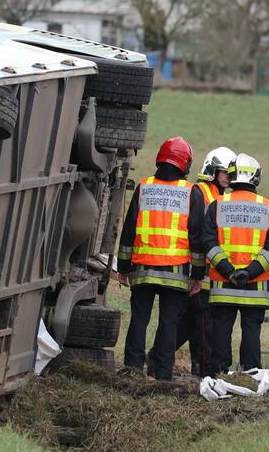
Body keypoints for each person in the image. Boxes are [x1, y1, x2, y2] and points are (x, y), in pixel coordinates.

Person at [117, 137, 205, 381]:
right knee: (169, 323)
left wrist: (123, 267)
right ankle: (163, 374)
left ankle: (132, 370)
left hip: (143, 270)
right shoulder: (191, 193)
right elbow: (197, 240)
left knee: (139, 319)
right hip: (175, 274)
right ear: (185, 164)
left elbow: (128, 231)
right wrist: (197, 276)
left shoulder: (144, 187)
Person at [203, 153, 269, 373]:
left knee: (220, 331)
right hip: (254, 287)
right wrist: (249, 272)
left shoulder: (217, 205)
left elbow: (208, 243)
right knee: (251, 333)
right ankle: (251, 374)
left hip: (223, 285)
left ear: (232, 177)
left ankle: (218, 374)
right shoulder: (267, 208)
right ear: (256, 178)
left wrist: (229, 271)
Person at [165, 147, 236, 377]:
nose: (228, 177)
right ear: (212, 171)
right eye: (224, 172)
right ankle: (204, 370)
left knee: (189, 322)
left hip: (212, 270)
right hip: (199, 269)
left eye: (231, 173)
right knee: (204, 323)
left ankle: (159, 357)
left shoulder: (221, 195)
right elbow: (197, 234)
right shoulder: (201, 192)